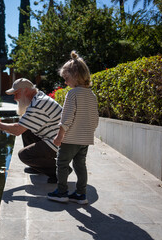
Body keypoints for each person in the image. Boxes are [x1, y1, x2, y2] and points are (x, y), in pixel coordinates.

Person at [0, 78, 64, 183]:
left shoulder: (38, 104)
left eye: (16, 94)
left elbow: (17, 130)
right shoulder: (38, 98)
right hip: (58, 138)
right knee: (26, 130)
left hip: (62, 143)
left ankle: (59, 172)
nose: (15, 98)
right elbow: (21, 127)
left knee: (24, 155)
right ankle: (38, 166)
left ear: (26, 91)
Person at [47, 51, 99, 204]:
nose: (65, 82)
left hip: (71, 139)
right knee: (80, 165)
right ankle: (81, 194)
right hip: (85, 139)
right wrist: (89, 132)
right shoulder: (92, 95)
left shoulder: (72, 94)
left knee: (62, 164)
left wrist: (59, 135)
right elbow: (95, 118)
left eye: (66, 78)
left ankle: (62, 192)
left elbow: (67, 117)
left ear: (75, 75)